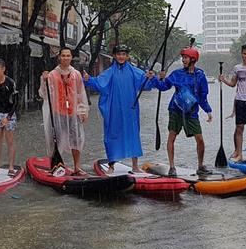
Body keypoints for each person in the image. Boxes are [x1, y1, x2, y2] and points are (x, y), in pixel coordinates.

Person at [83, 44, 157, 173]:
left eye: (123, 54)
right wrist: (88, 80)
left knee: (133, 135)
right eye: (119, 54)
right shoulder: (110, 72)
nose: (121, 56)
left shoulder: (134, 71)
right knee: (112, 135)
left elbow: (146, 83)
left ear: (127, 56)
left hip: (130, 110)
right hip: (114, 109)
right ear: (115, 56)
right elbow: (99, 83)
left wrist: (151, 77)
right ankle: (111, 165)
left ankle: (135, 166)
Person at [154, 46, 214, 176]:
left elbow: (203, 97)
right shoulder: (177, 74)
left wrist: (208, 111)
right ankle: (172, 167)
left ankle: (200, 166)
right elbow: (164, 86)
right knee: (172, 136)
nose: (183, 60)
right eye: (183, 58)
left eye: (186, 58)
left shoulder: (200, 75)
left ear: (193, 59)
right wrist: (158, 79)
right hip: (175, 110)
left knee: (200, 139)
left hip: (191, 112)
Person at [39, 47, 90, 175]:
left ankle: (77, 167)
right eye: (63, 55)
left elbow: (81, 94)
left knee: (76, 140)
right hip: (58, 113)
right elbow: (44, 94)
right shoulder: (52, 75)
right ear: (59, 57)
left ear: (71, 57)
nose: (65, 58)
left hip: (73, 113)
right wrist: (43, 80)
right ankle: (55, 165)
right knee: (55, 140)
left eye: (68, 55)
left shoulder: (76, 74)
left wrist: (83, 111)